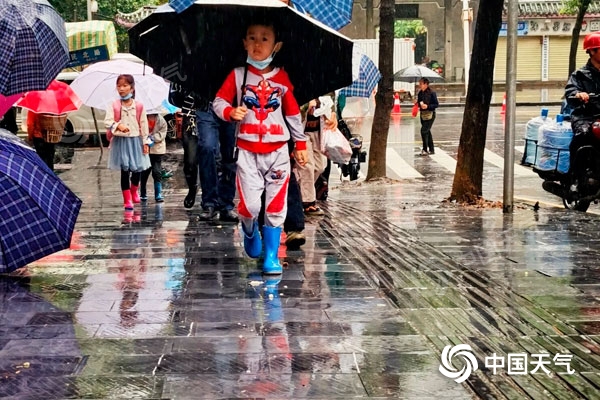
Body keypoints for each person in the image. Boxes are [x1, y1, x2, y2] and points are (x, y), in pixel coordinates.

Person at [213, 17, 308, 274]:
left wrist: (300, 143)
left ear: (276, 46)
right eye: (252, 38)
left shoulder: (283, 78)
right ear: (244, 43)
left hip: (278, 151)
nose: (258, 44)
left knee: (276, 205)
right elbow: (218, 102)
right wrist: (230, 111)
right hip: (247, 152)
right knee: (250, 206)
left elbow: (291, 114)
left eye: (264, 38)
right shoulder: (237, 76)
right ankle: (248, 228)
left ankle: (271, 257)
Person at [104, 74, 151, 210]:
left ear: (132, 88)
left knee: (137, 168)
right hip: (121, 142)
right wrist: (118, 126)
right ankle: (126, 200)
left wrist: (145, 142)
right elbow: (107, 121)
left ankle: (134, 190)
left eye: (125, 86)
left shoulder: (139, 106)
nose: (121, 89)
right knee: (125, 170)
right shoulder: (114, 105)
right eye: (119, 86)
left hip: (136, 140)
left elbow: (144, 125)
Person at [564, 31, 600, 180]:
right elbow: (571, 92)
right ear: (592, 51)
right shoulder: (579, 74)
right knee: (583, 135)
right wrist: (579, 94)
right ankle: (574, 177)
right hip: (585, 116)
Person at [295, 96, 337, 216]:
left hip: (318, 131)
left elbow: (330, 99)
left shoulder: (322, 83)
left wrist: (331, 113)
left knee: (320, 166)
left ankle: (299, 191)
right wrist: (305, 106)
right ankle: (308, 202)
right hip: (301, 132)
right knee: (307, 166)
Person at [140, 112, 168, 203]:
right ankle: (142, 192)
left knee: (157, 171)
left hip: (157, 150)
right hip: (145, 149)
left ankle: (158, 193)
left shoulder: (161, 121)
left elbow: (162, 134)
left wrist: (152, 137)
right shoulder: (142, 118)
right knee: (144, 172)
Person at [416, 77, 439, 156]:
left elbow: (436, 104)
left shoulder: (432, 93)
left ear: (426, 84)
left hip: (430, 114)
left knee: (424, 131)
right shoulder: (420, 93)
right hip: (423, 114)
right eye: (419, 84)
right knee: (427, 131)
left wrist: (428, 106)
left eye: (421, 84)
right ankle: (431, 149)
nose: (420, 85)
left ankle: (425, 149)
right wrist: (419, 104)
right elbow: (419, 102)